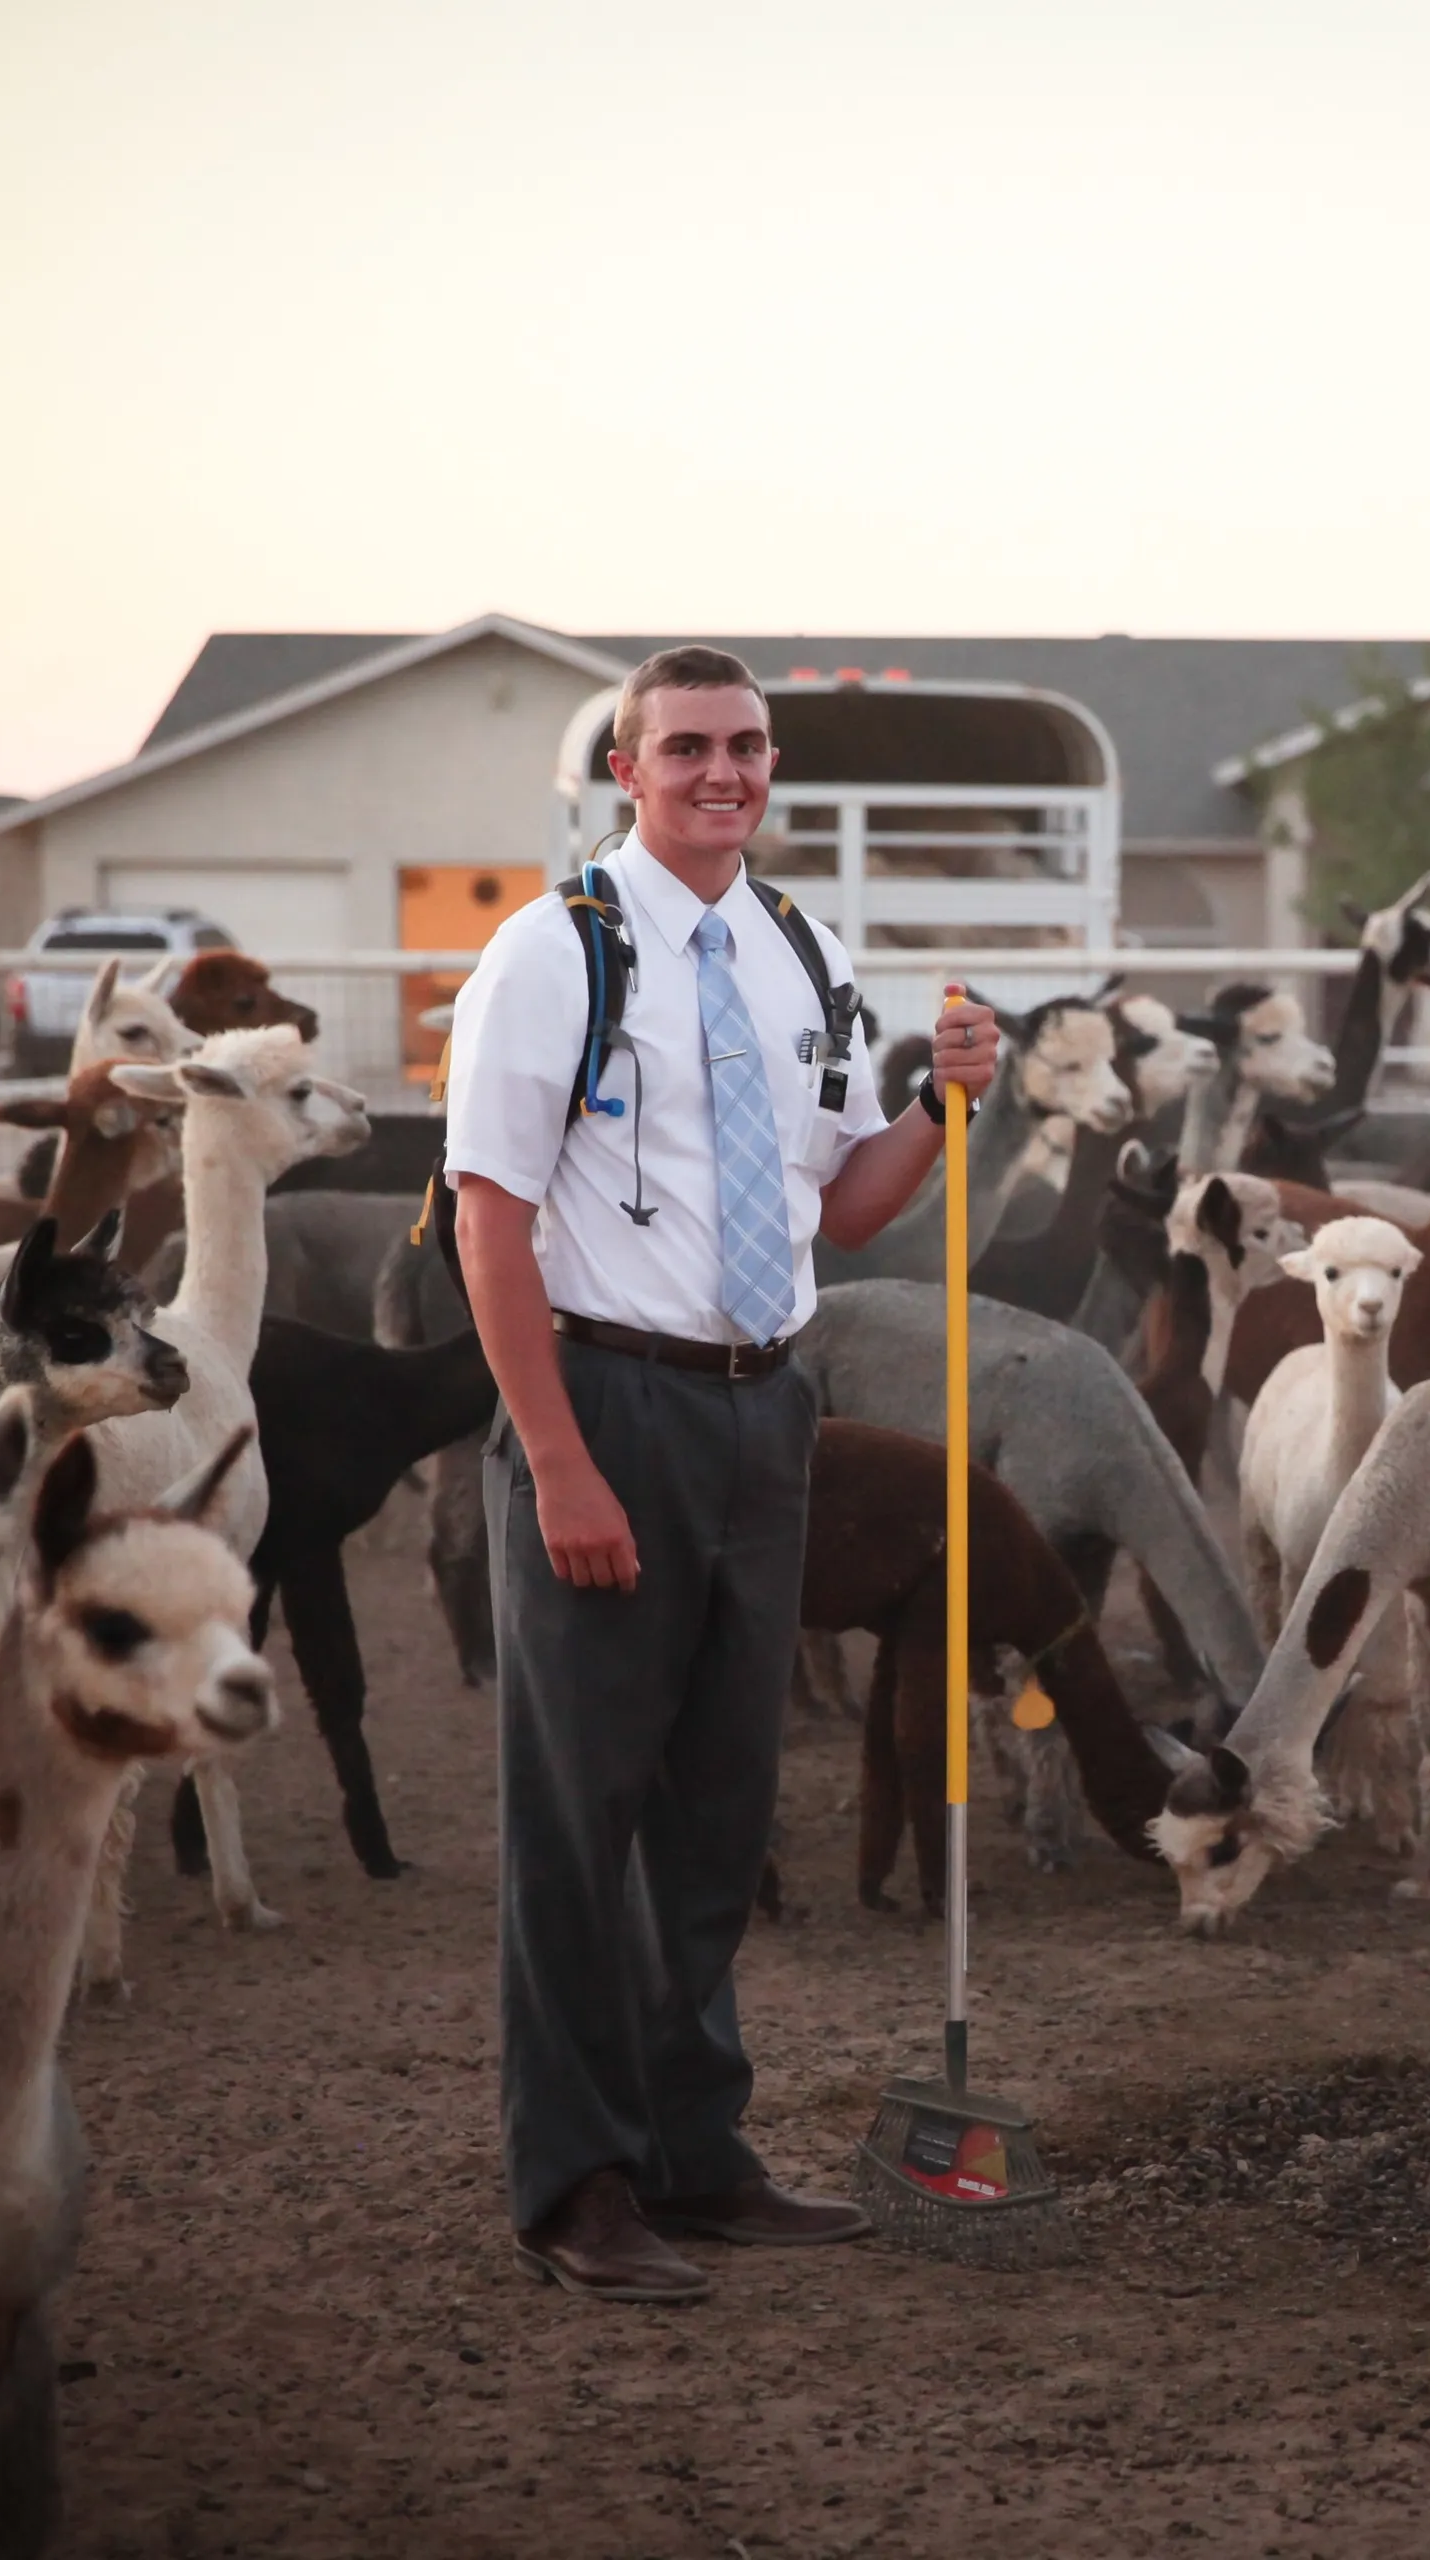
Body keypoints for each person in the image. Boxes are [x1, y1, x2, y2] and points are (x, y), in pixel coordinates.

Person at [442, 644, 1000, 2307]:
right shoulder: (550, 956)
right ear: (630, 770)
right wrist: (557, 1463)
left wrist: (942, 1105)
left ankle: (697, 2156)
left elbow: (843, 1208)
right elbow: (488, 1219)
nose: (721, 773)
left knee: (715, 1815)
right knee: (579, 1818)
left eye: (746, 747)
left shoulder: (803, 951)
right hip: (606, 1407)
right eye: (686, 747)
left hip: (772, 1412)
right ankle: (577, 2183)